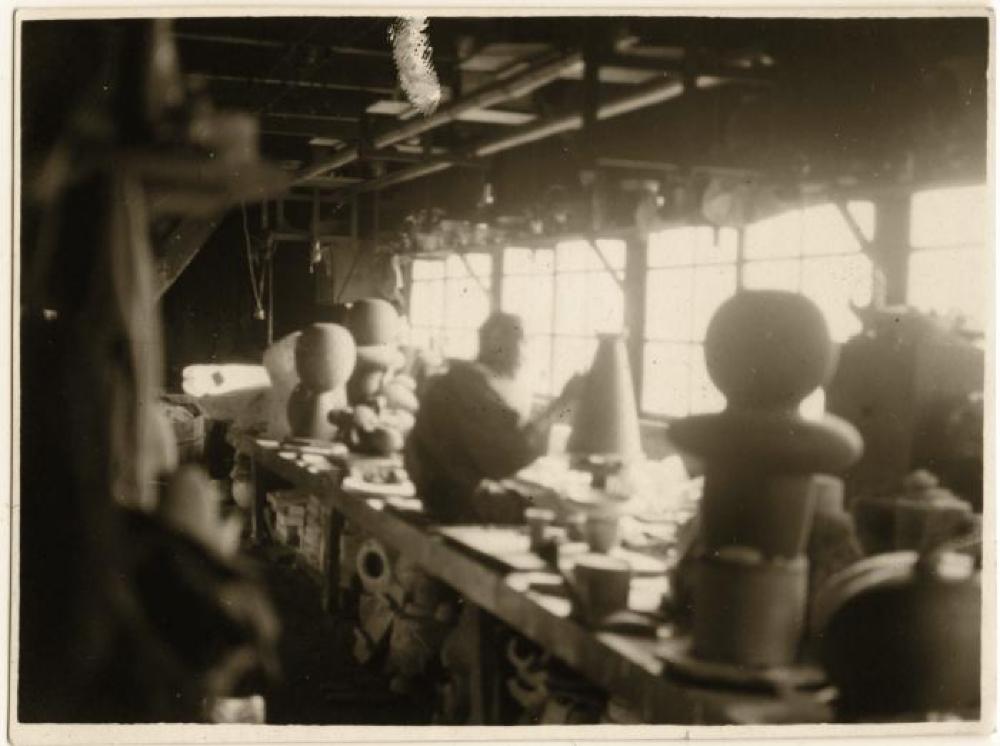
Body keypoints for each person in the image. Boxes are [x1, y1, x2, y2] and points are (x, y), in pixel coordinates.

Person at [405, 311, 583, 524]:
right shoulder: (468, 388)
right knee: (567, 511)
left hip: (443, 494)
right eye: (523, 342)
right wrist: (563, 402)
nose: (527, 354)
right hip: (454, 505)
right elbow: (513, 451)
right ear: (496, 344)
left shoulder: (465, 379)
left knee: (547, 498)